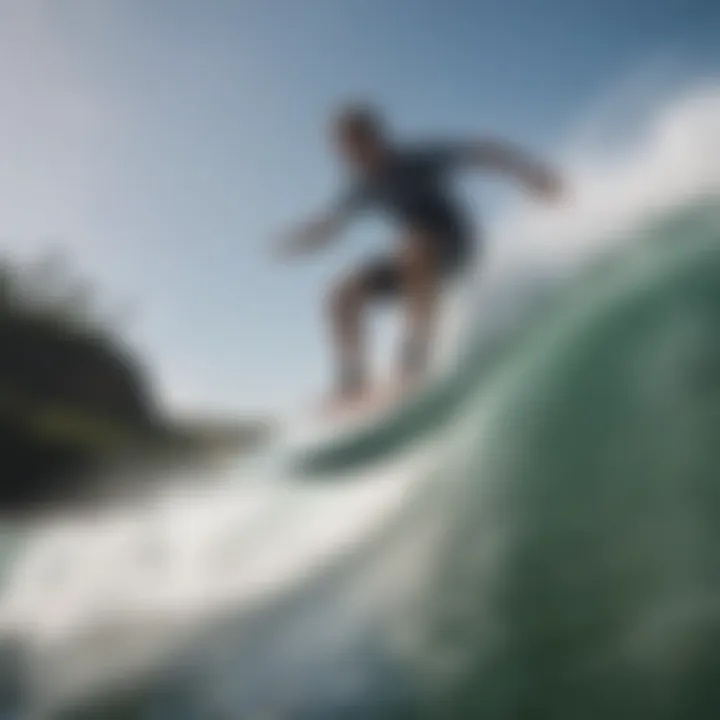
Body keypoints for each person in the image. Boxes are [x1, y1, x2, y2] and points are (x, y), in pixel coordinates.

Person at [276, 104, 564, 412]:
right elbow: (332, 225)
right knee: (341, 293)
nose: (350, 156)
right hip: (414, 260)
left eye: (355, 144)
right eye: (344, 149)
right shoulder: (362, 187)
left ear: (375, 138)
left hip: (455, 246)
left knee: (416, 246)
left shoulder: (416, 160)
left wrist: (533, 175)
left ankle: (415, 357)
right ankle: (352, 382)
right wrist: (300, 240)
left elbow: (481, 152)